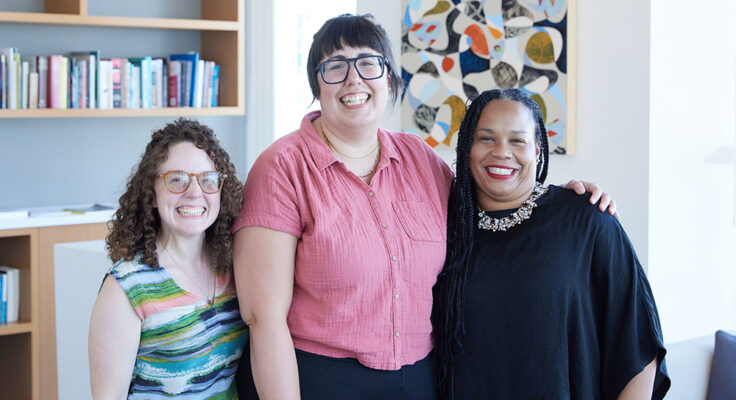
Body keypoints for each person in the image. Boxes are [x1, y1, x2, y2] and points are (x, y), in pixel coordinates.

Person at [233, 14, 614, 400]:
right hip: (318, 379)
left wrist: (556, 200)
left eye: (368, 63)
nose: (353, 80)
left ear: (389, 80)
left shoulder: (417, 157)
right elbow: (263, 318)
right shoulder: (282, 167)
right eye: (335, 67)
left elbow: (486, 206)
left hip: (420, 381)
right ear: (317, 84)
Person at [432, 88, 670, 399]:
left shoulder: (587, 220)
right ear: (466, 149)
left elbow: (638, 345)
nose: (502, 152)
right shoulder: (441, 228)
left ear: (539, 152)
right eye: (486, 138)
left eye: (517, 140)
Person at [88, 118, 248, 399]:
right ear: (151, 193)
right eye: (177, 180)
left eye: (208, 180)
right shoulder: (127, 287)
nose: (195, 193)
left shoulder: (233, 266)